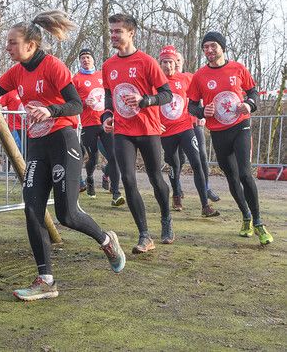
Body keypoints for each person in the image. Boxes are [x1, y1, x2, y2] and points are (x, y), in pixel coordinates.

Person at [0, 10, 126, 302]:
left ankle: (107, 240)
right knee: (32, 209)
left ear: (31, 45)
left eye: (12, 42)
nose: (7, 47)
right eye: (7, 42)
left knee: (67, 214)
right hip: (37, 145)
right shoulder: (17, 72)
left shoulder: (53, 67)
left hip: (63, 140)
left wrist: (51, 110)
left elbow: (75, 104)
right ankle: (46, 280)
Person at [188, 31, 273, 245]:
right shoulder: (199, 76)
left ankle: (259, 223)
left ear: (222, 48)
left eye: (213, 46)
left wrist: (249, 104)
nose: (209, 50)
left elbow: (253, 92)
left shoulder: (238, 68)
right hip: (218, 132)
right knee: (232, 177)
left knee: (245, 174)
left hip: (240, 126)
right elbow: (191, 105)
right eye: (205, 47)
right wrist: (201, 112)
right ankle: (245, 216)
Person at [101, 13, 174, 254]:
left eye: (117, 31)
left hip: (148, 129)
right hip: (122, 131)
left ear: (131, 33)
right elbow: (109, 95)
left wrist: (145, 100)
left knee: (155, 178)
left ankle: (166, 218)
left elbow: (167, 94)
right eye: (111, 31)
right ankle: (144, 235)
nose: (113, 35)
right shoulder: (108, 66)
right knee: (128, 180)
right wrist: (106, 115)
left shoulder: (146, 62)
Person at [157, 45, 219, 217]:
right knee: (174, 164)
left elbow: (200, 93)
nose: (168, 66)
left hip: (185, 127)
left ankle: (205, 205)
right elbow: (149, 104)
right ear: (160, 64)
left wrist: (201, 112)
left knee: (197, 162)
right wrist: (154, 122)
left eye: (171, 62)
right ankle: (176, 195)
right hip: (166, 132)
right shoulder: (155, 82)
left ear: (176, 62)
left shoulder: (185, 78)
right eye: (165, 62)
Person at [72, 48, 124, 205]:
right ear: (80, 61)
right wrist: (82, 103)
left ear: (94, 60)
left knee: (114, 156)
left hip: (105, 122)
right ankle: (89, 179)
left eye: (88, 57)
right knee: (93, 158)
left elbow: (111, 94)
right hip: (88, 124)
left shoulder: (102, 75)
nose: (86, 60)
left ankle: (116, 193)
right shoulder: (76, 79)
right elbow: (71, 103)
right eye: (83, 58)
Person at [174, 51, 220, 206]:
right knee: (178, 160)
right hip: (176, 126)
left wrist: (202, 116)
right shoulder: (165, 80)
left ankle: (205, 188)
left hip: (193, 123)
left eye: (179, 59)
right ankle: (177, 190)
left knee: (201, 156)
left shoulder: (190, 77)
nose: (177, 62)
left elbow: (199, 97)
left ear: (183, 61)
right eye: (175, 60)